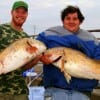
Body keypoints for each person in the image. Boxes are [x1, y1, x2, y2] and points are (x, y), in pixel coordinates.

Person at [36, 5, 100, 100]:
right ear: (63, 20)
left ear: (80, 21)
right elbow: (35, 47)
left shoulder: (92, 39)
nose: (71, 21)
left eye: (75, 19)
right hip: (55, 90)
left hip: (82, 92)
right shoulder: (49, 33)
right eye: (68, 18)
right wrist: (41, 57)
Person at [0, 1, 29, 100]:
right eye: (17, 11)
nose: (20, 15)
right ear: (12, 12)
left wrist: (36, 58)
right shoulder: (1, 30)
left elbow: (24, 67)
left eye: (23, 12)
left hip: (20, 91)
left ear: (27, 15)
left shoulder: (26, 38)